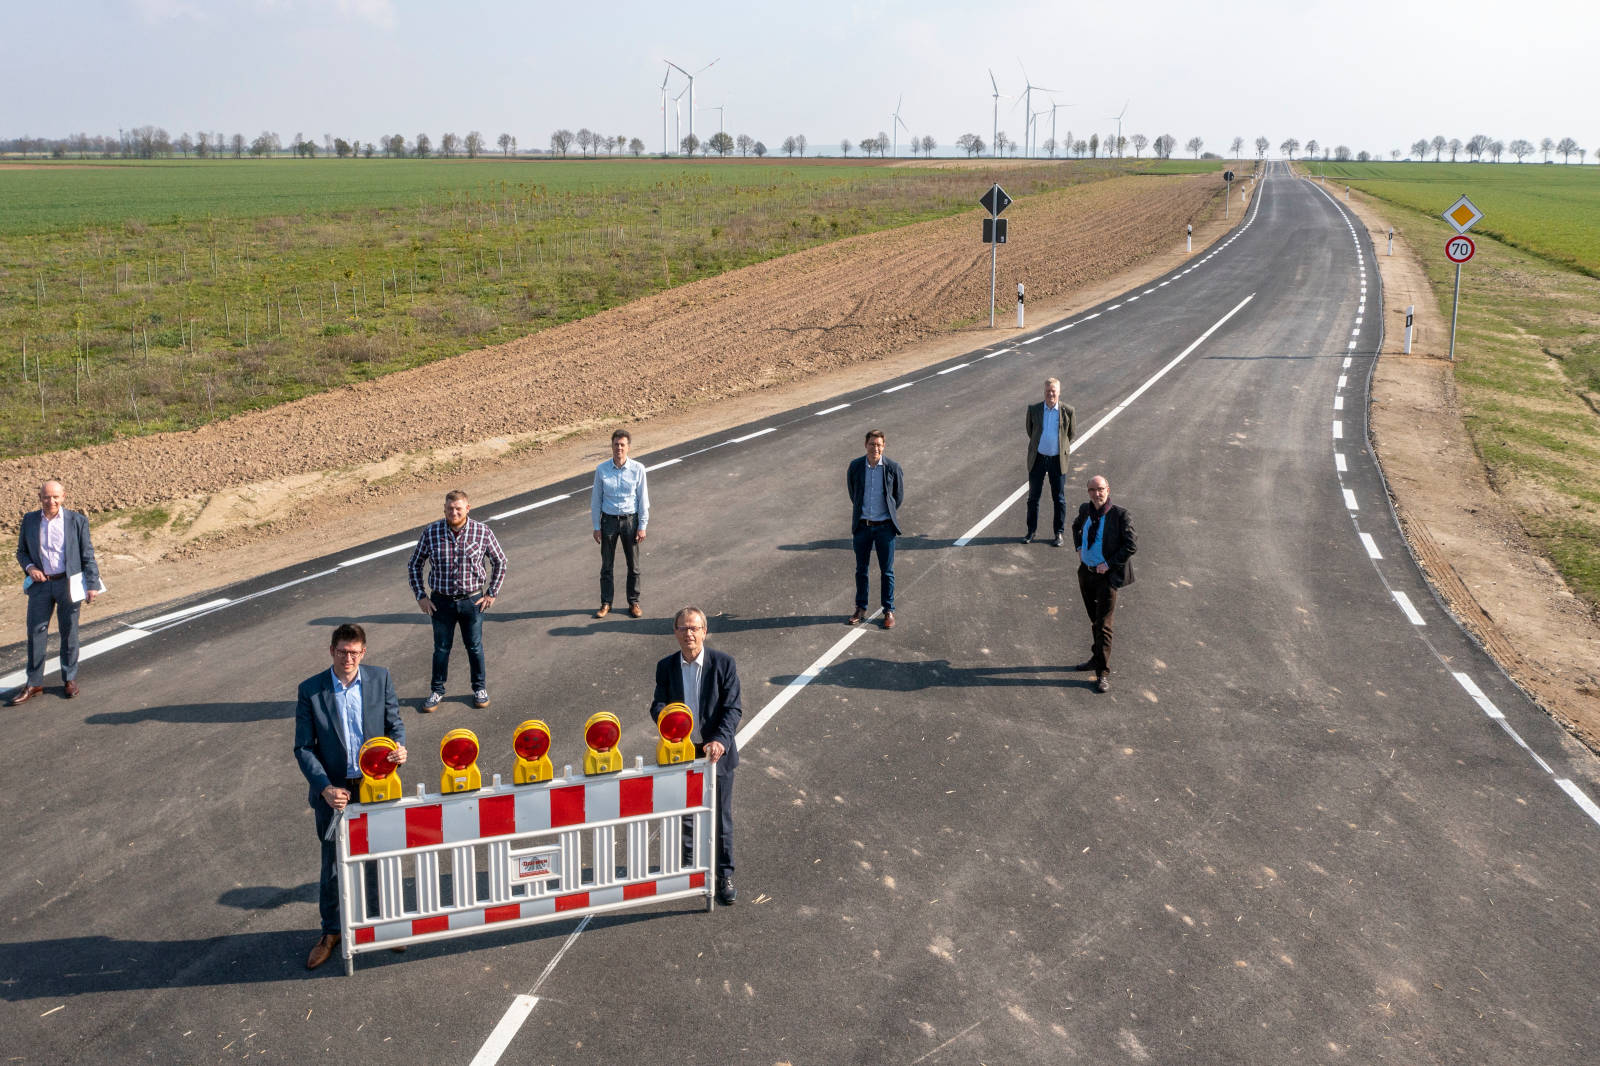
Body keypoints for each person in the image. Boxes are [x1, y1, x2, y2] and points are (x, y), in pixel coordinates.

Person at [293, 623, 406, 970]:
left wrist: (399, 748)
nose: (348, 658)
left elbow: (394, 725)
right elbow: (303, 747)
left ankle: (381, 923)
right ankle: (331, 932)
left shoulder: (380, 678)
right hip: (334, 793)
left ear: (364, 652)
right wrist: (325, 787)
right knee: (331, 865)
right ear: (332, 651)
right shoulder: (311, 690)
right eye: (342, 652)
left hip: (375, 787)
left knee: (377, 857)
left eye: (354, 652)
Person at [650, 606, 741, 906]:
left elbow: (732, 709)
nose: (688, 633)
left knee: (721, 817)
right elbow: (658, 704)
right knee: (686, 815)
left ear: (704, 631)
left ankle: (724, 874)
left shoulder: (724, 664)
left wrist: (721, 741)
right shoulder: (666, 666)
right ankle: (690, 868)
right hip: (682, 751)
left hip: (715, 752)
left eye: (694, 628)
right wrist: (668, 723)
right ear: (675, 632)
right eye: (683, 628)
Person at [407, 489, 507, 711]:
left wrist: (492, 593)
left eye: (458, 508)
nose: (454, 513)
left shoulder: (482, 532)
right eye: (450, 508)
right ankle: (437, 691)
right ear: (444, 509)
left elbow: (500, 561)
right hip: (441, 603)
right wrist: (421, 596)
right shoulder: (431, 532)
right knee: (441, 649)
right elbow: (414, 564)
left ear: (467, 509)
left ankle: (479, 689)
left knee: (474, 647)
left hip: (472, 602)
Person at [11, 480, 102, 705]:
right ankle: (34, 683)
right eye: (46, 497)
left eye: (55, 497)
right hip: (40, 586)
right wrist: (30, 568)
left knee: (69, 632)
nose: (50, 501)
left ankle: (69, 679)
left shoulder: (77, 521)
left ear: (63, 497)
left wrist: (92, 585)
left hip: (68, 584)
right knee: (36, 632)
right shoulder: (30, 520)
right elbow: (21, 552)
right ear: (40, 498)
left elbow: (87, 555)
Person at [1070, 476, 1136, 693]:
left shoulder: (1120, 515)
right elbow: (1075, 527)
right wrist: (1079, 547)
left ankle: (1102, 673)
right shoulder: (1085, 510)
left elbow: (1131, 545)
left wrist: (1108, 564)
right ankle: (1096, 657)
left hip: (1106, 579)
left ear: (1108, 489)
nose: (1096, 494)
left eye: (1100, 489)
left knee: (1104, 625)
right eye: (1092, 490)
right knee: (1095, 620)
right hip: (1086, 574)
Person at [845, 429, 904, 630]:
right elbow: (853, 494)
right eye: (872, 444)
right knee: (861, 570)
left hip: (885, 528)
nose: (875, 448)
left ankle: (888, 610)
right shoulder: (855, 466)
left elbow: (897, 497)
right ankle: (860, 608)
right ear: (866, 445)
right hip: (862, 527)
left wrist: (885, 515)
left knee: (887, 572)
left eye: (879, 444)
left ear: (884, 446)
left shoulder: (893, 468)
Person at [590, 429, 649, 619]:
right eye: (616, 444)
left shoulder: (638, 469)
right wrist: (596, 527)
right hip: (608, 522)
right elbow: (596, 500)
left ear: (628, 447)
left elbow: (643, 499)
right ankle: (606, 603)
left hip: (630, 521)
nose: (619, 448)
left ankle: (634, 602)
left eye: (622, 445)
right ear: (612, 446)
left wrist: (642, 525)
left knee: (633, 566)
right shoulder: (602, 470)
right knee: (607, 566)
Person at [1023, 377, 1076, 547]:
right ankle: (1031, 531)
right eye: (1047, 391)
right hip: (1038, 459)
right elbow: (1031, 431)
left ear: (1059, 392)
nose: (1050, 394)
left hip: (1057, 460)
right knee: (1033, 498)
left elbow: (1070, 434)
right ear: (1044, 392)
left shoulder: (1068, 411)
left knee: (1059, 499)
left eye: (1053, 391)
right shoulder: (1034, 409)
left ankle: (1058, 533)